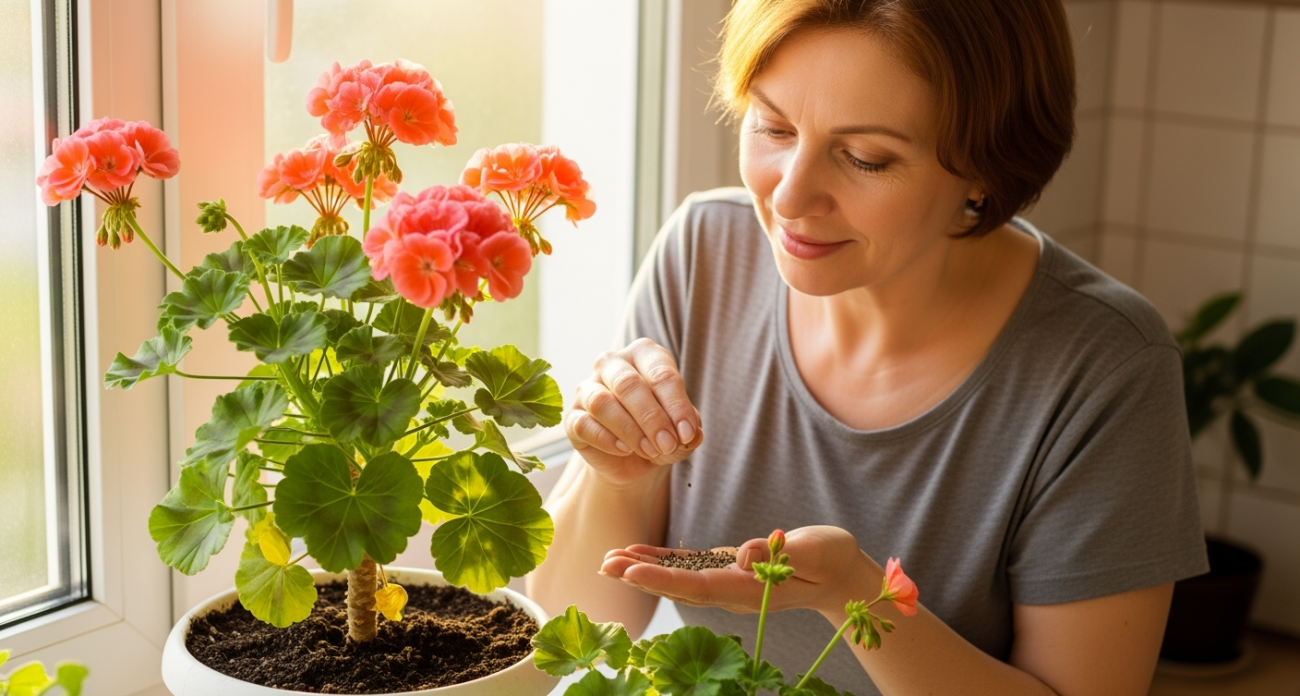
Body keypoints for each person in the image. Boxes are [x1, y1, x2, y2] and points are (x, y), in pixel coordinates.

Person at [528, 1, 1209, 694]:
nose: (790, 197)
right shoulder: (705, 254)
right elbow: (573, 621)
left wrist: (854, 597)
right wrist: (619, 478)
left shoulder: (1106, 368)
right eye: (773, 127)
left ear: (986, 169)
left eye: (865, 159)